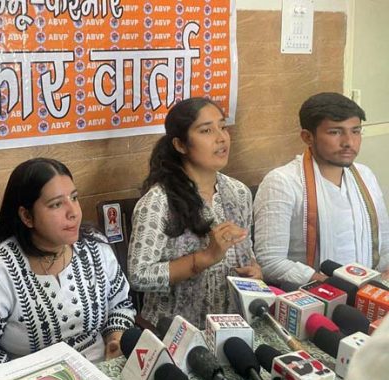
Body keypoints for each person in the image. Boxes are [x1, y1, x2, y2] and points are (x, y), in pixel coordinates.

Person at [0, 158, 136, 380]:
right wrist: (29, 377)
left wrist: (115, 337)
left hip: (102, 373)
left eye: (74, 198)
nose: (73, 212)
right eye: (57, 204)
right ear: (27, 216)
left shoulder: (95, 247)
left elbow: (121, 303)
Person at [127, 97, 262, 329]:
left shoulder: (238, 192)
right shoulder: (157, 202)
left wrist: (254, 271)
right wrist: (205, 257)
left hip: (229, 324)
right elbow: (139, 275)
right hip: (174, 330)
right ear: (180, 145)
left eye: (223, 127)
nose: (221, 138)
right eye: (206, 130)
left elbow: (246, 252)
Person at [254, 92, 389, 286]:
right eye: (335, 132)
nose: (348, 142)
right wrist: (332, 286)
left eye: (356, 131)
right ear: (308, 137)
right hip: (314, 297)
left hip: (369, 294)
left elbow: (384, 246)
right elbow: (271, 262)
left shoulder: (365, 175)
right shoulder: (282, 182)